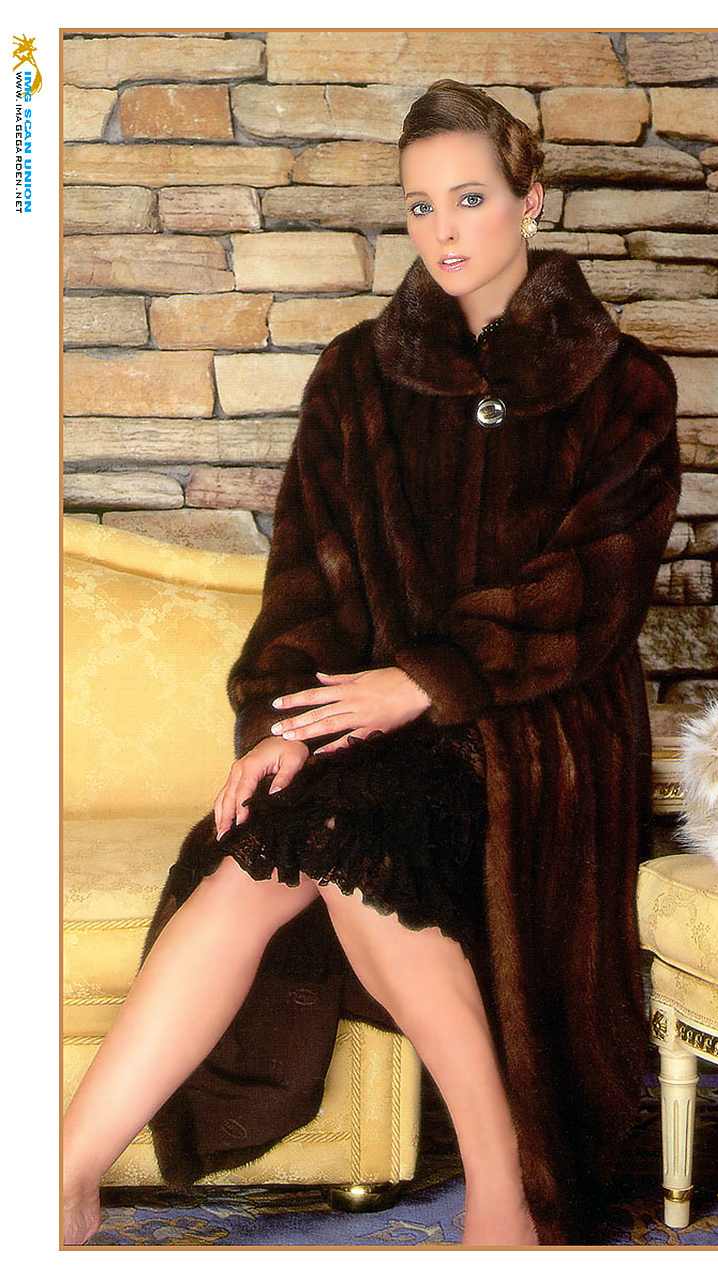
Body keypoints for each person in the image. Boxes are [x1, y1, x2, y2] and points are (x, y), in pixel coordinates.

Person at [62, 79, 682, 1248]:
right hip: (373, 723)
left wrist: (428, 680)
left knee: (346, 834)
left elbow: (594, 589)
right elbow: (308, 577)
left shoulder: (624, 382)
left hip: (537, 725)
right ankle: (68, 1172)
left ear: (531, 197)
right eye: (419, 205)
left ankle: (503, 1186)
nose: (443, 229)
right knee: (275, 830)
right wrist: (281, 724)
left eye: (470, 197)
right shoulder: (357, 373)